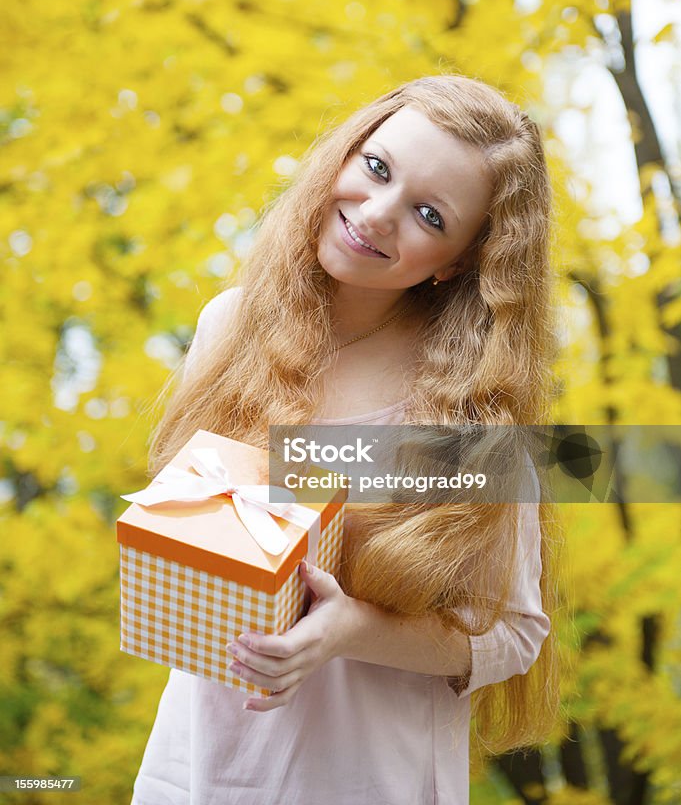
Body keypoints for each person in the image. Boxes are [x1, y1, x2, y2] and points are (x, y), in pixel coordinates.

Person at [130, 74, 562, 805]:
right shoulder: (229, 328)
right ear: (347, 150)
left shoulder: (471, 412)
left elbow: (513, 634)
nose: (377, 214)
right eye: (376, 167)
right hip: (200, 766)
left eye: (428, 214)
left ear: (456, 261)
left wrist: (347, 630)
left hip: (366, 777)